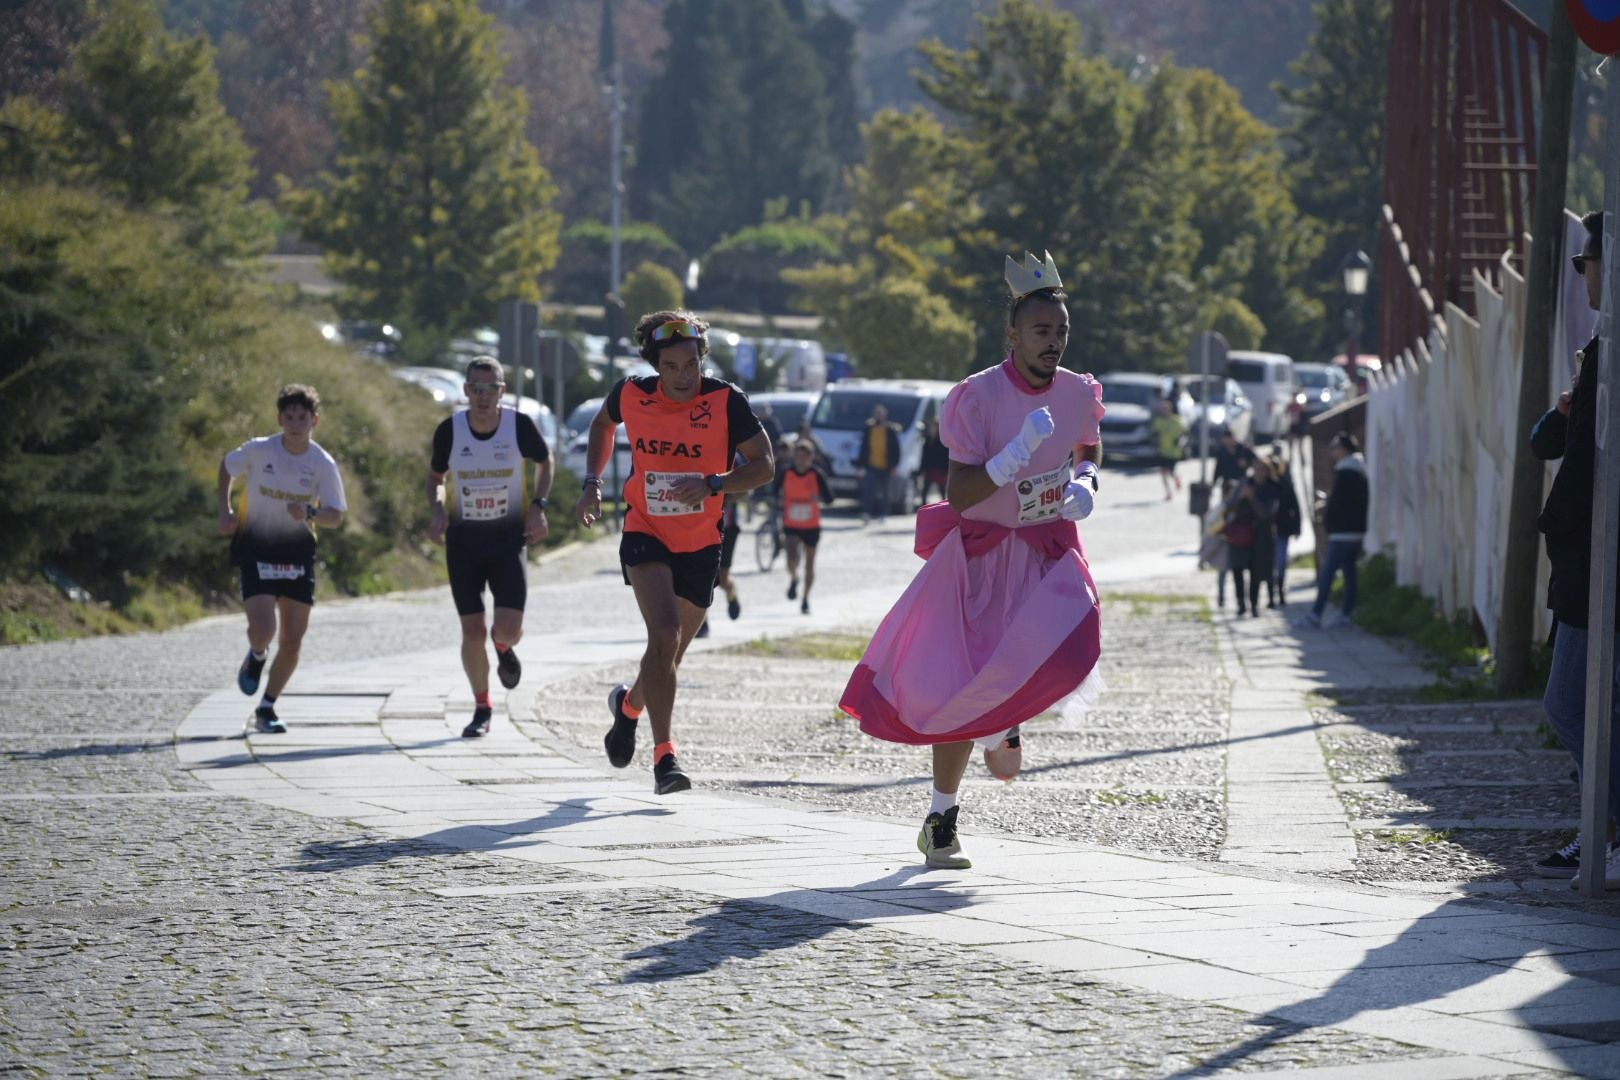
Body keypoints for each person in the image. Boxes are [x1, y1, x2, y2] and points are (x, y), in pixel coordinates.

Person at [839, 251, 1106, 870]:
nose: (1054, 343)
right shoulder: (978, 397)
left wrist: (1086, 482)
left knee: (1067, 651)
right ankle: (941, 820)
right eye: (1042, 331)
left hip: (1045, 554)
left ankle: (1002, 715)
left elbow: (1089, 443)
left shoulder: (1076, 391)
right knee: (959, 689)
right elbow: (959, 494)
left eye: (1062, 332)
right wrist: (1012, 457)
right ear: (1013, 333)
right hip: (981, 559)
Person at [575, 311, 774, 794]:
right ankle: (666, 758)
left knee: (669, 653)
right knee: (663, 634)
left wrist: (713, 483)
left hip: (702, 542)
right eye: (673, 367)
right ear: (655, 366)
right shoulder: (631, 394)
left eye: (692, 364)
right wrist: (593, 482)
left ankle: (627, 708)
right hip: (645, 530)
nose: (685, 377)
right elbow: (603, 426)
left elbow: (764, 466)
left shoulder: (726, 401)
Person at [1529, 209, 1618, 881]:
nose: (1583, 272)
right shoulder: (1599, 349)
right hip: (1587, 555)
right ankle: (1599, 829)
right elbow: (1551, 444)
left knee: (1570, 703)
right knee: (1583, 705)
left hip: (1599, 556)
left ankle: (1606, 829)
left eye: (1586, 261)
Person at [426, 356, 552, 738]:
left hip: (508, 539)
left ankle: (504, 647)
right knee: (472, 631)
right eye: (475, 389)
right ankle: (482, 707)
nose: (482, 397)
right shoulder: (450, 430)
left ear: (502, 391)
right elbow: (436, 477)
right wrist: (435, 509)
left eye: (490, 389)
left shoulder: (518, 426)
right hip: (464, 542)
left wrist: (538, 507)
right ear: (466, 391)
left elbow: (546, 463)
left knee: (508, 629)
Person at [218, 384, 348, 734]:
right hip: (256, 547)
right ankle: (257, 655)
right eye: (288, 417)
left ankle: (267, 707)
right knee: (264, 630)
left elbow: (335, 515)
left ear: (314, 421)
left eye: (302, 417)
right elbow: (227, 467)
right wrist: (225, 510)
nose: (295, 423)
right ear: (279, 418)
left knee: (292, 640)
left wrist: (308, 511)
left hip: (297, 554)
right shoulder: (261, 450)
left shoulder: (322, 463)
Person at [1294, 431, 1368, 630]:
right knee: (1350, 574)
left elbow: (1345, 505)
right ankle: (1345, 615)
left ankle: (1316, 615)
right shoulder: (1357, 471)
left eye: (1335, 447)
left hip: (1344, 532)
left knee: (1327, 574)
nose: (1332, 451)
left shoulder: (1347, 472)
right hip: (1353, 530)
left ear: (1344, 449)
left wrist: (1328, 507)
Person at [776, 439, 834, 614]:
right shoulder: (786, 472)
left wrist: (820, 499)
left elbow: (830, 498)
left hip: (811, 524)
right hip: (791, 522)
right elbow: (773, 490)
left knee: (809, 564)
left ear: (811, 458)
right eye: (798, 456)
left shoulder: (817, 474)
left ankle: (806, 599)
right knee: (791, 555)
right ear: (794, 456)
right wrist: (778, 499)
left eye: (805, 457)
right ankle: (794, 577)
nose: (801, 460)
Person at [1223, 466, 1275, 618]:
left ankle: (1254, 604)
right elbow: (1228, 506)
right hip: (1238, 536)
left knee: (1255, 572)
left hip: (1258, 537)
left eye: (1263, 470)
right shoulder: (1243, 484)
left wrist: (1252, 498)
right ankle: (1240, 603)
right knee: (1237, 571)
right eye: (1258, 470)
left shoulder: (1270, 488)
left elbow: (1265, 513)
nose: (1260, 473)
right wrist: (1240, 496)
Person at [1265, 452, 1303, 607]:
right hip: (1265, 531)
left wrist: (1296, 527)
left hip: (1282, 530)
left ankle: (1280, 592)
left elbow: (1295, 507)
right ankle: (1271, 596)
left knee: (1280, 563)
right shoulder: (1264, 486)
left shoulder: (1285, 485)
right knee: (1268, 564)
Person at [859, 403, 902, 523]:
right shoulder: (868, 429)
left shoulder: (890, 430)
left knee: (885, 492)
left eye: (880, 414)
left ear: (885, 416)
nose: (878, 417)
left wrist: (894, 465)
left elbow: (896, 449)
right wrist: (861, 465)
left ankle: (884, 514)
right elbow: (863, 448)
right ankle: (867, 513)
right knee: (869, 491)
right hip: (871, 465)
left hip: (886, 466)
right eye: (876, 414)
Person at [1151, 394, 1185, 501]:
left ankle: (1176, 479)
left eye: (1166, 409)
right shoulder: (1159, 421)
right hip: (1163, 451)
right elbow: (1154, 432)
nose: (1164, 411)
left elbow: (1185, 434)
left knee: (1170, 471)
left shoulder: (1177, 421)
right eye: (1162, 409)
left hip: (1174, 452)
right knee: (1163, 472)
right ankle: (1168, 493)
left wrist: (1180, 441)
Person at [917, 417, 950, 506]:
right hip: (929, 470)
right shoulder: (927, 441)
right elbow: (924, 458)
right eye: (931, 427)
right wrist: (921, 470)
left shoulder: (943, 441)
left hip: (940, 470)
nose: (933, 429)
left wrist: (946, 471)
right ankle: (924, 509)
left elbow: (946, 457)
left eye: (935, 427)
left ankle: (943, 510)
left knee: (942, 492)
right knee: (924, 492)